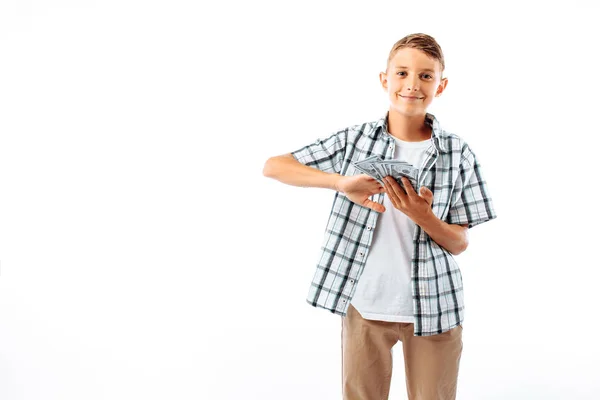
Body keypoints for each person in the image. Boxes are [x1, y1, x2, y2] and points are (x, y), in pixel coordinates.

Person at [262, 33, 497, 400]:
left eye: (425, 76)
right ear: (385, 79)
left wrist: (423, 216)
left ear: (441, 84)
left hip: (436, 305)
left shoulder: (457, 152)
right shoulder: (355, 141)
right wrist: (341, 183)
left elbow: (460, 242)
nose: (412, 85)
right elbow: (274, 166)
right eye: (402, 73)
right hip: (365, 304)